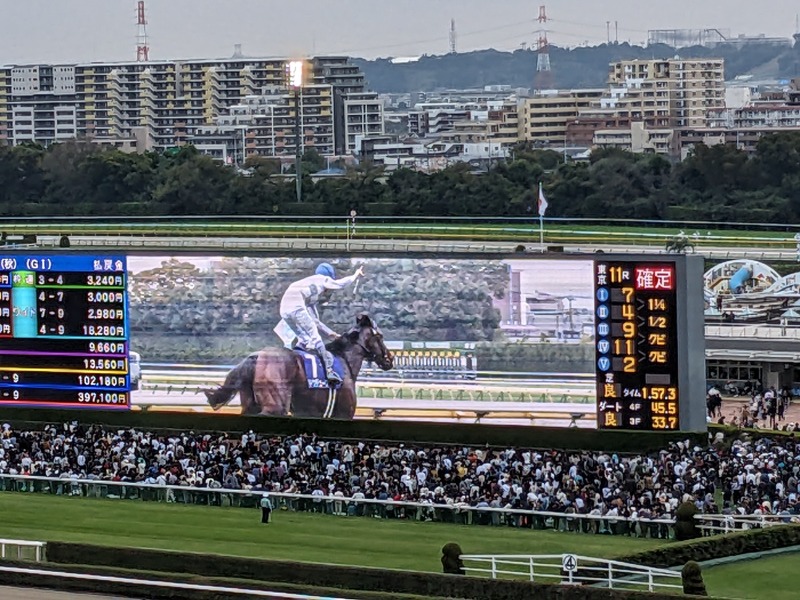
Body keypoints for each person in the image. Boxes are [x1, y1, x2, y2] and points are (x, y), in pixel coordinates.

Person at [277, 262, 363, 383]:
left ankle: (295, 362)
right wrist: (355, 275)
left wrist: (330, 333)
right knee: (315, 337)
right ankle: (329, 371)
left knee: (304, 339)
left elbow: (316, 321)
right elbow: (340, 284)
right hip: (295, 305)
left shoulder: (310, 292)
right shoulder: (323, 279)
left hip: (284, 309)